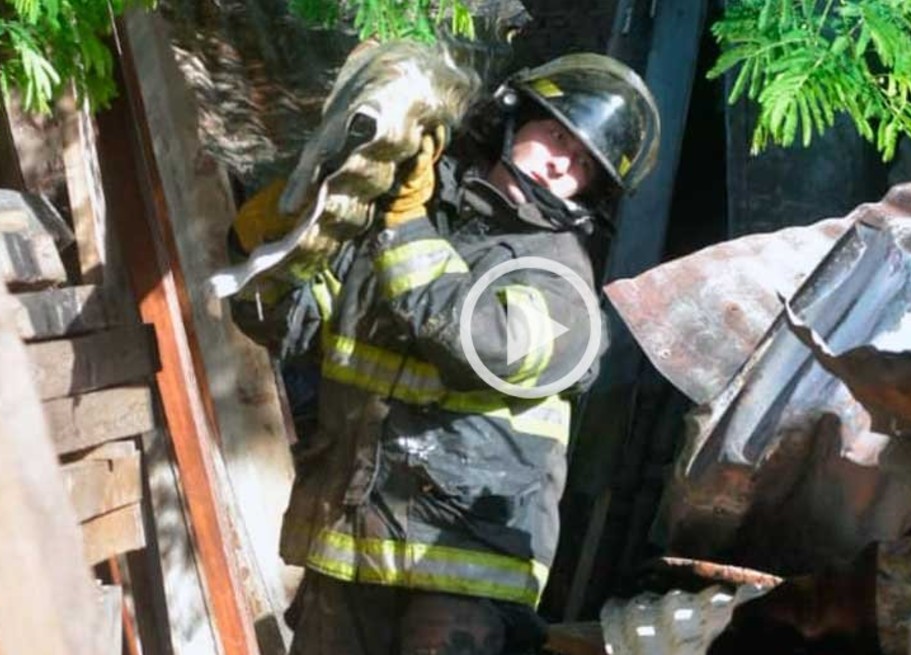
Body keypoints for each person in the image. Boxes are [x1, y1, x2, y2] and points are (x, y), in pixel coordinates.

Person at [228, 49, 660, 655]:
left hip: (459, 570)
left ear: (592, 190)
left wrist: (404, 227)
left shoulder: (559, 279)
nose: (561, 162)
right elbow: (294, 332)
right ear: (515, 120)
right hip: (349, 546)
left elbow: (481, 343)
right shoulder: (416, 214)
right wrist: (278, 241)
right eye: (556, 134)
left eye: (582, 162)